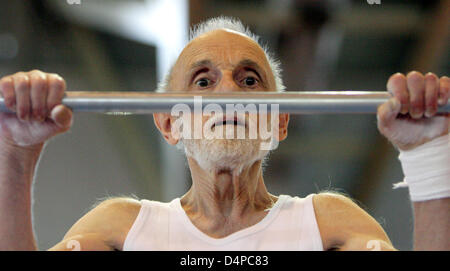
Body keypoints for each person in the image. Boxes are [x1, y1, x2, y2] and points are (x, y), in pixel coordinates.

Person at [0, 17, 448, 251]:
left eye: (250, 80)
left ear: (278, 122)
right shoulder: (124, 228)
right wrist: (16, 153)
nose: (230, 92)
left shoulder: (328, 222)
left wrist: (428, 154)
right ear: (169, 123)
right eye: (203, 80)